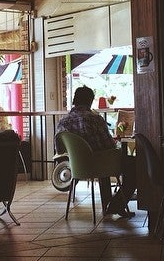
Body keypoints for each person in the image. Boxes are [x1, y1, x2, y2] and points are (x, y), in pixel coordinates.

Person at [55, 85, 133, 217]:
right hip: (101, 164)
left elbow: (59, 149)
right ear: (90, 101)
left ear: (74, 100)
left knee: (101, 159)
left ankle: (109, 204)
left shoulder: (63, 121)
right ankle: (116, 205)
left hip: (76, 167)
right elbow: (109, 145)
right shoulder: (95, 119)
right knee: (133, 165)